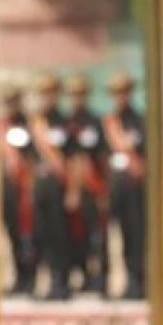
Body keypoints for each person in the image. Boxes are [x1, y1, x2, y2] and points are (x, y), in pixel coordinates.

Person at [64, 74, 109, 296]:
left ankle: (99, 279)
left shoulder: (95, 122)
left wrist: (103, 190)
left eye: (81, 94)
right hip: (73, 188)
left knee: (97, 235)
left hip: (94, 186)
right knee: (75, 236)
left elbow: (102, 156)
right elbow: (67, 157)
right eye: (74, 94)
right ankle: (80, 274)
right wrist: (72, 190)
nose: (78, 98)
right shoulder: (66, 123)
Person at [103, 71, 146, 300]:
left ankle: (138, 281)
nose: (121, 97)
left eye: (124, 92)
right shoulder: (109, 122)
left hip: (135, 187)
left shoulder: (140, 121)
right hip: (114, 185)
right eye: (117, 93)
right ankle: (114, 281)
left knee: (137, 234)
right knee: (115, 235)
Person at [30, 73, 72, 300]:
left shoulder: (65, 123)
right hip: (40, 185)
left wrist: (73, 190)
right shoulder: (36, 122)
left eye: (52, 93)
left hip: (59, 185)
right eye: (45, 93)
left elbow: (75, 157)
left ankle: (61, 281)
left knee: (59, 235)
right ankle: (44, 281)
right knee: (40, 235)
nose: (49, 97)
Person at [0, 82, 37, 296]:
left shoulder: (29, 124)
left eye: (14, 101)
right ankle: (18, 277)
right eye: (9, 102)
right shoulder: (2, 126)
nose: (12, 105)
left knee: (27, 236)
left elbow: (32, 157)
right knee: (13, 234)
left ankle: (30, 278)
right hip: (9, 188)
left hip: (25, 187)